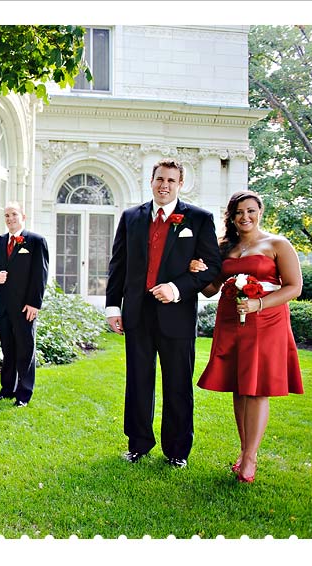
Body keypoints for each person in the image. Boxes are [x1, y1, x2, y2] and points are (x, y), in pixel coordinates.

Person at [105, 158, 221, 468]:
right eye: (159, 179)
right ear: (151, 180)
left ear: (180, 184)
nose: (164, 185)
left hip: (177, 316)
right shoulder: (131, 217)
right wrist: (113, 307)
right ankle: (138, 444)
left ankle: (177, 451)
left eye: (171, 180)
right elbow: (118, 266)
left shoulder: (198, 219)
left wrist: (178, 287)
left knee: (177, 383)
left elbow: (212, 267)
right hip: (138, 314)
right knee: (138, 381)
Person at [194, 190, 303, 483]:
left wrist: (259, 303)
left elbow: (294, 287)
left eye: (251, 211)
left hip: (266, 320)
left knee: (256, 388)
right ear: (232, 216)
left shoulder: (278, 244)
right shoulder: (224, 247)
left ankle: (251, 457)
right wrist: (197, 271)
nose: (246, 217)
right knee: (239, 387)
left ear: (260, 212)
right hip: (231, 320)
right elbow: (210, 289)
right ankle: (244, 450)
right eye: (240, 212)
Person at [0, 202, 50, 407]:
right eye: (6, 215)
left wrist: (34, 304)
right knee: (8, 349)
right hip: (3, 306)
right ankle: (7, 390)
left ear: (23, 216)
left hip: (25, 307)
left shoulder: (36, 241)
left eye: (14, 214)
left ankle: (24, 394)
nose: (10, 218)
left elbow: (41, 275)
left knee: (25, 350)